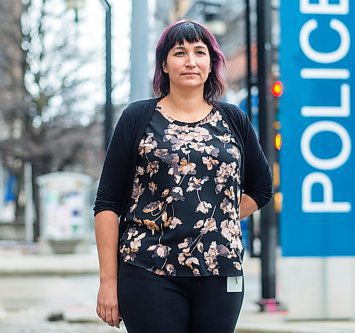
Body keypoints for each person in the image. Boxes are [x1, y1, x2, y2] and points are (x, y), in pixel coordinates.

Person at [93, 19, 272, 333]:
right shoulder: (138, 117)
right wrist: (108, 282)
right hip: (147, 270)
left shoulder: (233, 119)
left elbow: (261, 188)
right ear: (164, 64)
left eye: (199, 52)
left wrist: (214, 217)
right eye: (180, 53)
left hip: (221, 272)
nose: (190, 61)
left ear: (211, 63)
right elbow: (107, 204)